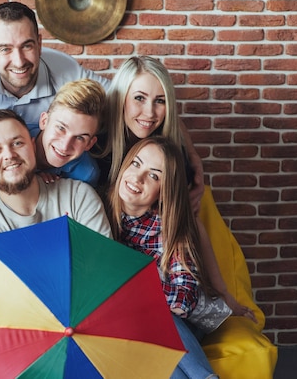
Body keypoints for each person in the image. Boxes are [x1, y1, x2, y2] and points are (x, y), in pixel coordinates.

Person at [106, 136, 256, 379]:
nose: (138, 177)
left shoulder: (169, 227)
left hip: (184, 321)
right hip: (137, 325)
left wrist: (137, 291)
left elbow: (185, 297)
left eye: (154, 176)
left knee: (156, 315)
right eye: (136, 163)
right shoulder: (98, 208)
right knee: (161, 362)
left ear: (163, 193)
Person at [0, 109, 112, 255]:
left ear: (33, 146)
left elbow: (102, 267)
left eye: (17, 143)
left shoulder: (79, 197)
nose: (9, 155)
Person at [0, 1, 110, 131]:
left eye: (27, 46)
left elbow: (117, 93)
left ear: (39, 44)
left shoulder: (67, 71)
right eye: (6, 49)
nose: (19, 61)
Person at [102, 55, 204, 211]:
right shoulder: (95, 142)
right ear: (120, 98)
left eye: (160, 101)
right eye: (139, 98)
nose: (150, 113)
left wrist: (193, 155)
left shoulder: (172, 152)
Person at [32, 78, 106, 187]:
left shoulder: (86, 175)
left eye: (80, 138)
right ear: (44, 121)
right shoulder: (13, 137)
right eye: (61, 128)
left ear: (90, 143)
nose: (65, 146)